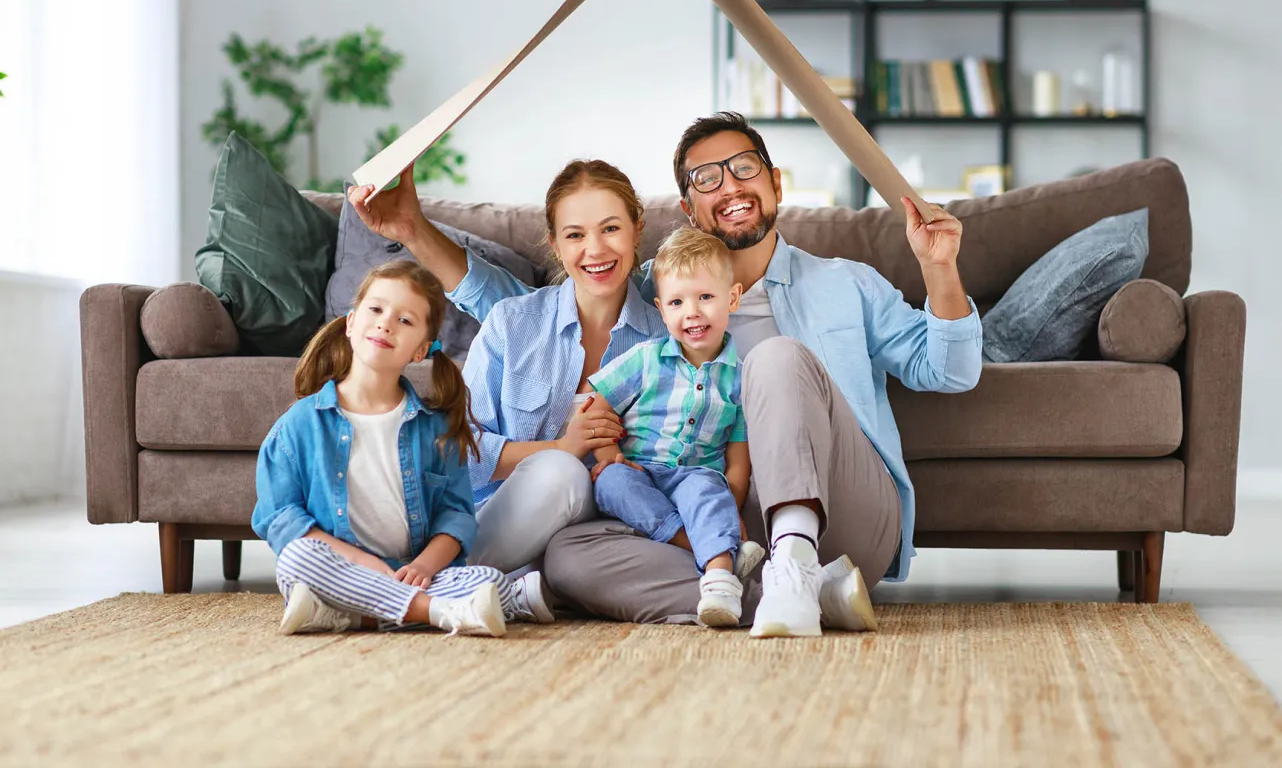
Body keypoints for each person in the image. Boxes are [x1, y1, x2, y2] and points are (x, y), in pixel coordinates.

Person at [349, 112, 983, 635]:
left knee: (775, 358)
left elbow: (949, 372)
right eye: (707, 178)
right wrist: (411, 229)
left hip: (843, 516)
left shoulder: (846, 284)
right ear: (687, 208)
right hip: (714, 526)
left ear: (776, 183)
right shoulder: (663, 296)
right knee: (570, 555)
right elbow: (529, 312)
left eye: (744, 168)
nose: (729, 185)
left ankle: (800, 564)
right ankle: (789, 594)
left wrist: (939, 268)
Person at [347, 160, 670, 576]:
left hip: (598, 539)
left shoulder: (664, 340)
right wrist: (560, 449)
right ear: (554, 245)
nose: (595, 250)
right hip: (501, 523)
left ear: (637, 229)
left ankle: (456, 586)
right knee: (561, 473)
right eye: (575, 235)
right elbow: (461, 450)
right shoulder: (512, 322)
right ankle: (434, 580)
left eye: (610, 229)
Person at [251, 260, 553, 637]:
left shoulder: (436, 429)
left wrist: (425, 566)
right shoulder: (299, 424)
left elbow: (456, 517)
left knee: (484, 578)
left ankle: (349, 615)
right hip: (336, 569)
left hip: (409, 572)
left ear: (420, 350)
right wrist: (361, 562)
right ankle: (441, 612)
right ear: (350, 323)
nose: (386, 323)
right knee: (296, 559)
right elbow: (279, 517)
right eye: (375, 309)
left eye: (405, 321)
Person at [586, 227, 768, 628]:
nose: (692, 312)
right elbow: (597, 408)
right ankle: (712, 548)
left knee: (709, 490)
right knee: (610, 482)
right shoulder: (645, 359)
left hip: (696, 476)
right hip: (641, 472)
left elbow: (738, 456)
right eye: (677, 302)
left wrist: (730, 502)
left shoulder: (741, 378)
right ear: (661, 309)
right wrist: (609, 458)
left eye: (706, 297)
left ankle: (720, 580)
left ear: (732, 298)